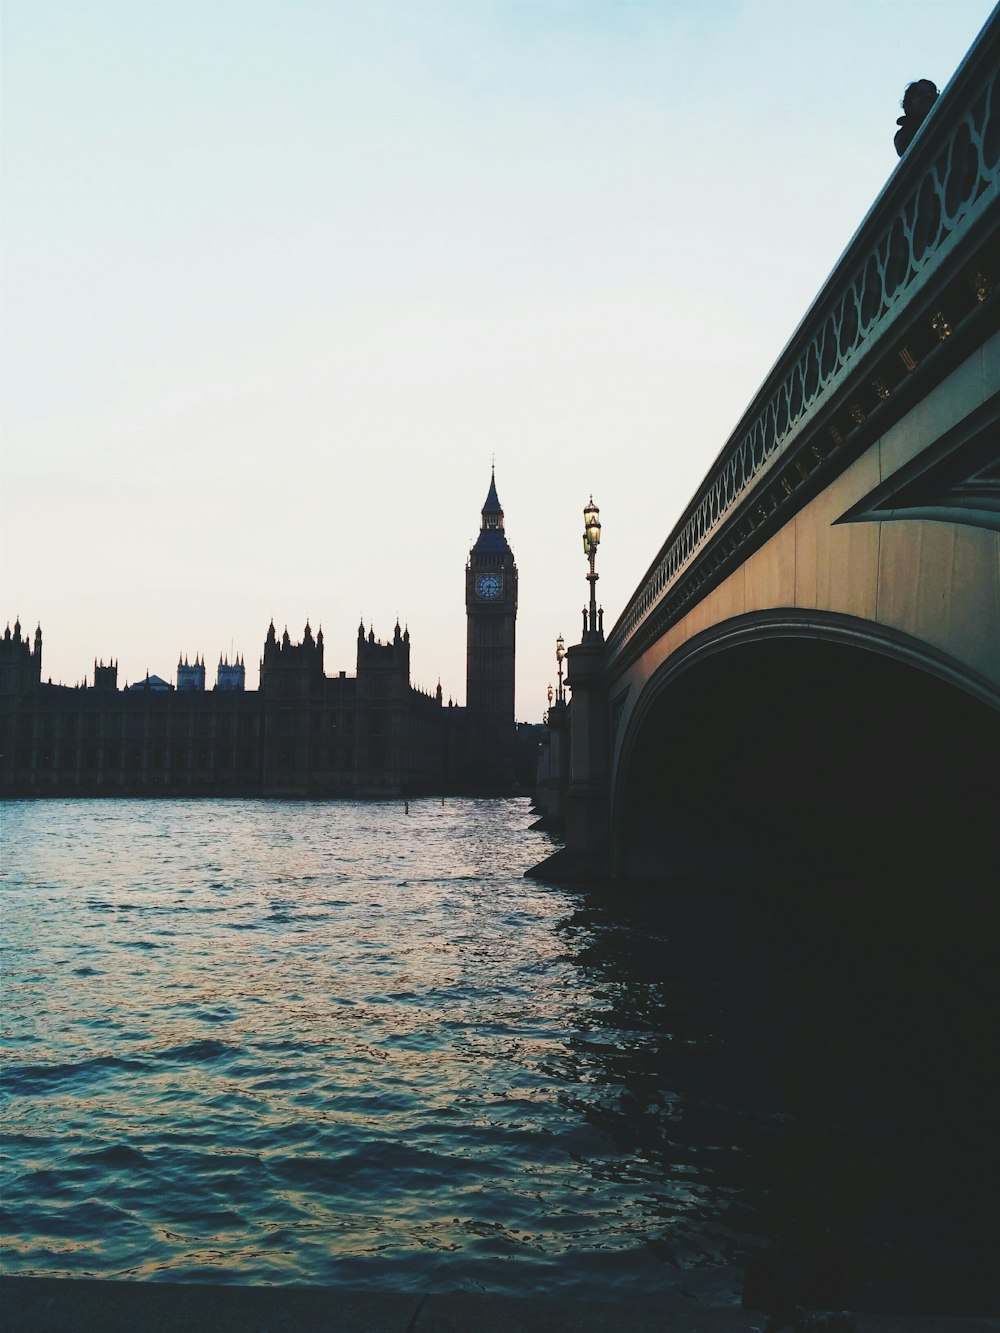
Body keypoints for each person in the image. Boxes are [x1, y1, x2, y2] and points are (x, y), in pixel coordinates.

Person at [894, 79, 939, 156]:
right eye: (921, 94)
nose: (929, 96)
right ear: (909, 104)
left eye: (932, 93)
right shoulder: (902, 136)